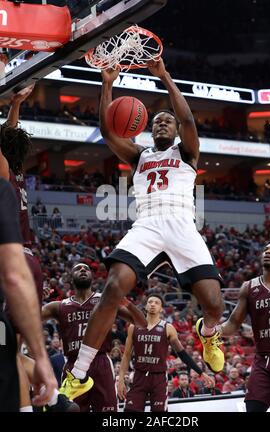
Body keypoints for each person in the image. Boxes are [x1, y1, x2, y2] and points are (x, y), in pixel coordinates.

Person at [61, 58, 224, 399]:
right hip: (147, 225)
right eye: (158, 122)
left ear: (176, 131)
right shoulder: (140, 156)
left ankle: (207, 332)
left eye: (168, 122)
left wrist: (164, 74)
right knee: (112, 289)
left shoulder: (188, 152)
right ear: (151, 130)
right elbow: (107, 131)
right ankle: (78, 374)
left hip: (181, 224)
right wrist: (107, 83)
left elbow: (188, 118)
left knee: (215, 305)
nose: (164, 124)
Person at [0, 87, 77, 412]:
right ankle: (57, 403)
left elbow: (6, 138)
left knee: (8, 354)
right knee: (12, 352)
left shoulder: (4, 172)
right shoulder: (17, 172)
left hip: (13, 261)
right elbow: (10, 136)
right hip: (32, 260)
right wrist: (15, 103)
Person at [42, 262, 147, 412]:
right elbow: (27, 319)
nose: (83, 269)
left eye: (87, 268)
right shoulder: (59, 306)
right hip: (73, 364)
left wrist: (127, 303)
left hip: (101, 362)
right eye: (78, 269)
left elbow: (142, 323)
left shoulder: (105, 300)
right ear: (71, 279)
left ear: (92, 277)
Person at [219, 240, 270, 412]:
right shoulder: (248, 287)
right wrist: (213, 330)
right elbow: (233, 323)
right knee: (252, 408)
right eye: (265, 250)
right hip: (262, 360)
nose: (268, 252)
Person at [0, 177, 57, 412]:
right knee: (12, 353)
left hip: (25, 256)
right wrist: (41, 357)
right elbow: (13, 276)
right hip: (23, 256)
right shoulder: (5, 180)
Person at [117, 294, 213, 412]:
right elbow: (126, 355)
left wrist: (201, 373)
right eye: (150, 302)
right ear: (146, 306)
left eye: (156, 303)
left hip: (159, 378)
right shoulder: (133, 327)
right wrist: (121, 379)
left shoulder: (168, 328)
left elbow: (182, 354)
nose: (152, 304)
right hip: (139, 376)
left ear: (161, 309)